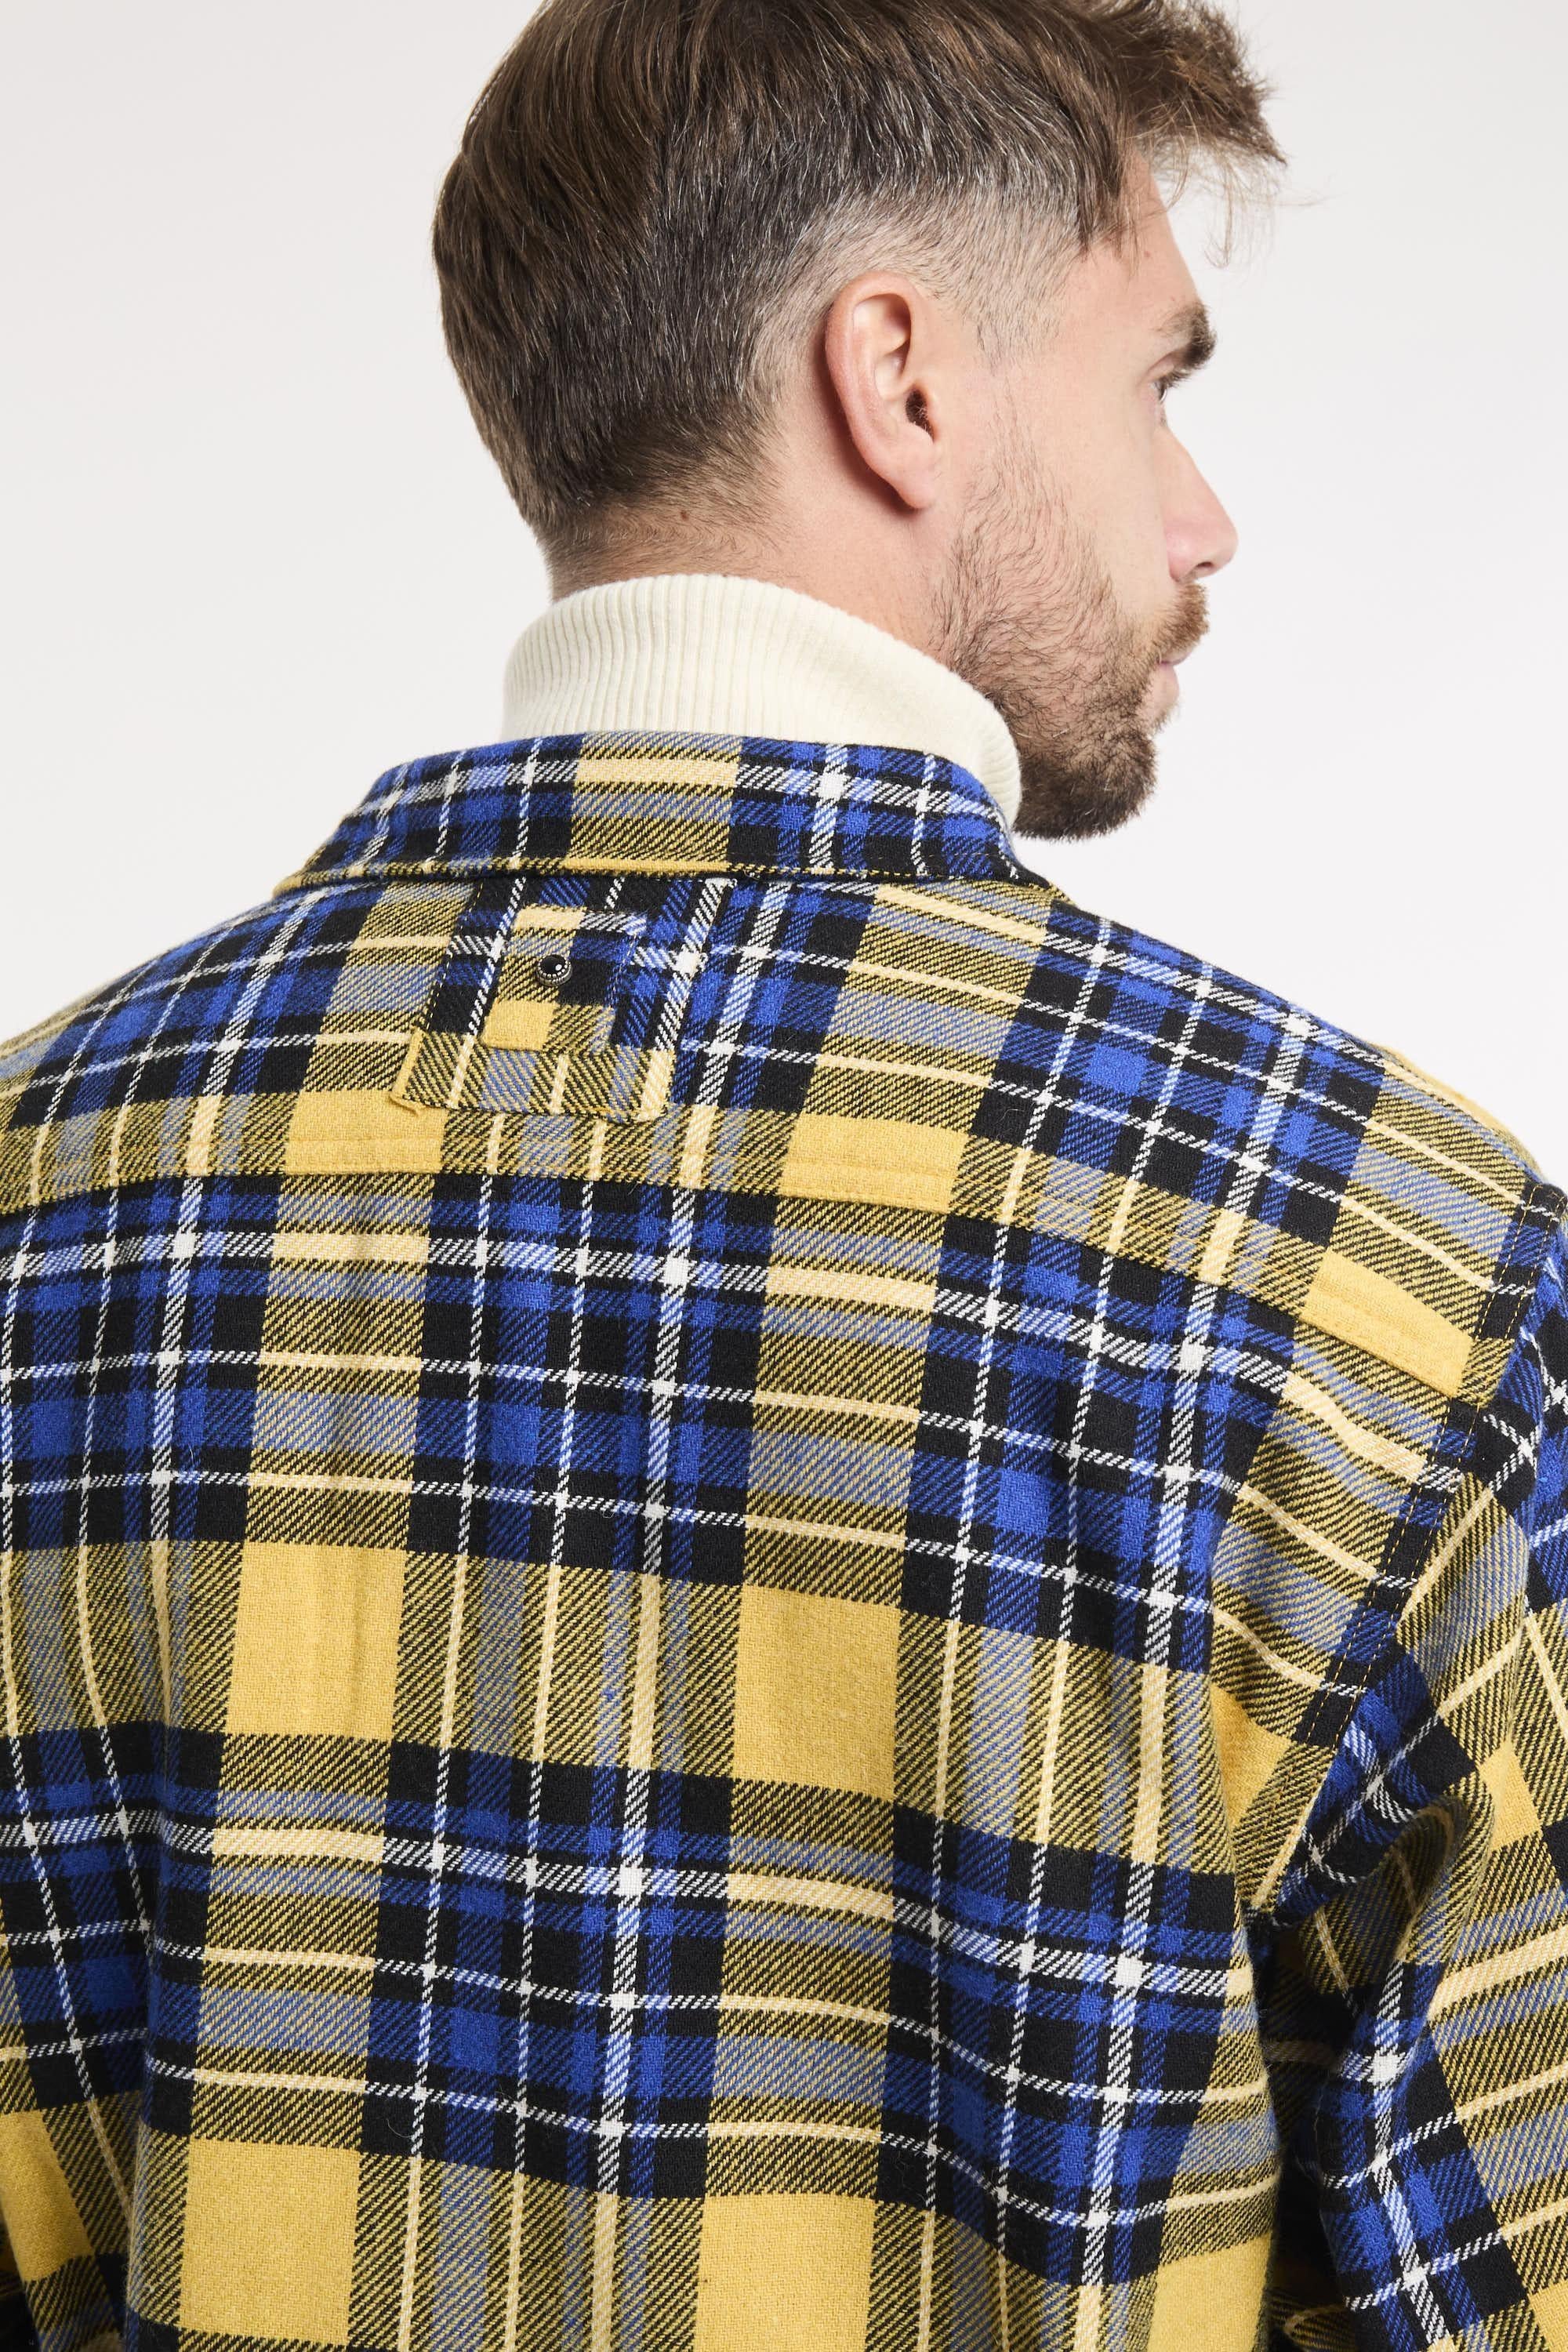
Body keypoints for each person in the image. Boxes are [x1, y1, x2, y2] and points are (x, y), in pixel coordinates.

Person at [0, 1, 1563, 2343]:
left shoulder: (44, 1191)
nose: (1201, 515)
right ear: (899, 377)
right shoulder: (1372, 1263)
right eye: (1157, 383)